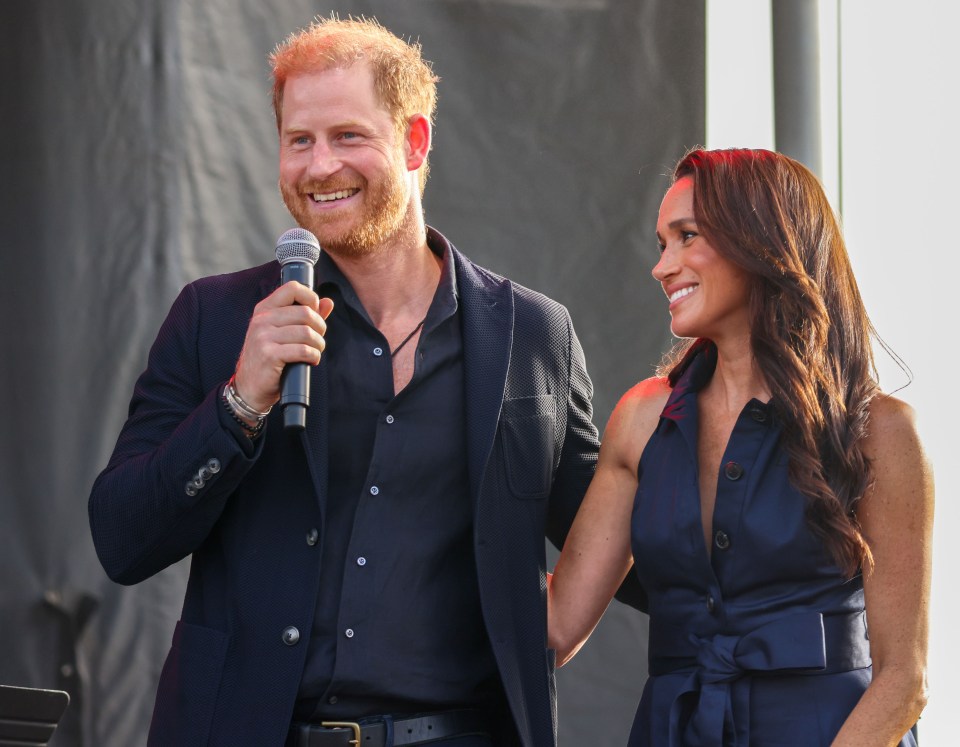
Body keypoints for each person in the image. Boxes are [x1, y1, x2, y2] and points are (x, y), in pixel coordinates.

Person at [89, 16, 635, 747]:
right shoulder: (215, 319)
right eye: (298, 141)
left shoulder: (532, 334)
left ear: (414, 142)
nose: (319, 167)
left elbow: (617, 533)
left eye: (347, 136)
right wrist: (238, 403)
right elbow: (123, 539)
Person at [547, 148, 933, 746]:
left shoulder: (879, 432)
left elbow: (905, 680)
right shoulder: (642, 418)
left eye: (687, 236)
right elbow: (554, 626)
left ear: (763, 242)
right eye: (660, 244)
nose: (662, 267)